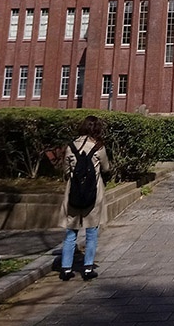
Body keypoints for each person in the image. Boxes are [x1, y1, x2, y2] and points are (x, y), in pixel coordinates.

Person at [59, 115, 112, 281]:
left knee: (71, 232)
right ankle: (88, 268)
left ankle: (66, 269)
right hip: (93, 193)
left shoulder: (70, 146)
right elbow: (106, 167)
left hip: (73, 192)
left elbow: (66, 171)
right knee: (91, 232)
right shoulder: (98, 147)